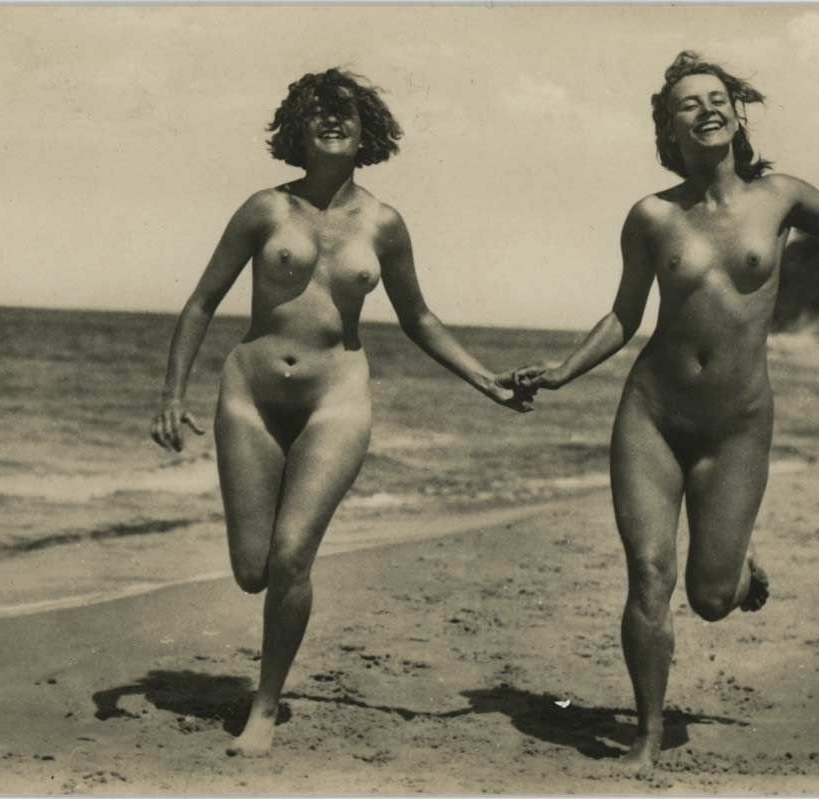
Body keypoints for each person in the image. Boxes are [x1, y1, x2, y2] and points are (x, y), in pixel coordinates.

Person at [503, 51, 819, 772]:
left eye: (716, 97)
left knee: (710, 598)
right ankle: (646, 736)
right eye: (688, 103)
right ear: (668, 127)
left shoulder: (779, 198)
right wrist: (563, 371)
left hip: (736, 427)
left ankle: (738, 568)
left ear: (735, 112)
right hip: (652, 415)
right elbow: (624, 314)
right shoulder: (651, 215)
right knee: (649, 574)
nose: (706, 109)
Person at [150, 68, 533, 757]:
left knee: (292, 555)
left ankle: (264, 707)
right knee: (253, 569)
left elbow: (417, 318)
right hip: (250, 398)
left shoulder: (384, 224)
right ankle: (266, 659)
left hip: (336, 399)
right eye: (317, 111)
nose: (331, 120)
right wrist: (173, 395)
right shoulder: (264, 209)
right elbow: (202, 301)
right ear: (297, 129)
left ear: (366, 132)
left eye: (345, 112)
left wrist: (486, 380)